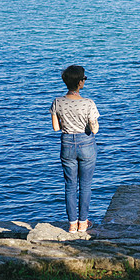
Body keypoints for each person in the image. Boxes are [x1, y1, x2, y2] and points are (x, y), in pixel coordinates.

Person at [50, 65, 100, 235]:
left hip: (67, 145)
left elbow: (56, 128)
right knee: (85, 185)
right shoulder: (88, 103)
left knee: (70, 185)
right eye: (84, 79)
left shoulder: (57, 102)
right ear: (80, 83)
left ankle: (72, 224)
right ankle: (83, 223)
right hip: (86, 144)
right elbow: (94, 130)